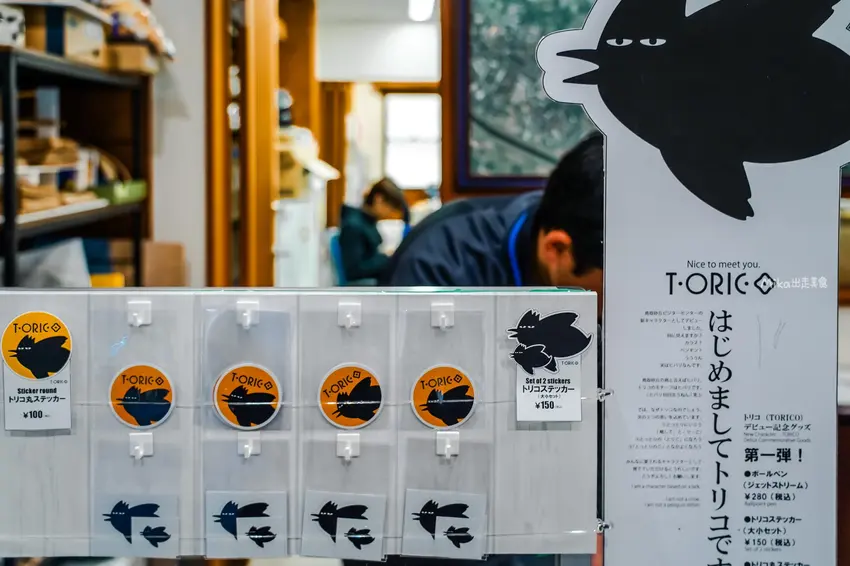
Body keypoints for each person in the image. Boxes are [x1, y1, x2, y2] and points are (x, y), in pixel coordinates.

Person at [350, 133, 604, 566]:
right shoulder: (440, 273)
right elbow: (424, 447)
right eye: (610, 293)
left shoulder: (585, 247)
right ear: (557, 250)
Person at [338, 178, 409, 285]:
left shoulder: (368, 222)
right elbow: (354, 270)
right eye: (391, 208)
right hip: (365, 285)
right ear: (379, 199)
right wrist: (387, 257)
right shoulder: (353, 226)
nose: (390, 213)